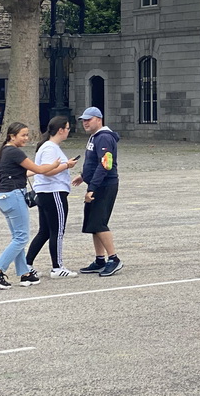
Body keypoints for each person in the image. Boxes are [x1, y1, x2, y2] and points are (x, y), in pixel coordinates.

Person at [0, 121, 76, 289]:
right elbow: (40, 170)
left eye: (27, 134)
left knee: (17, 238)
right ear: (12, 136)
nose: (26, 138)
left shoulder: (4, 151)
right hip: (13, 196)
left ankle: (25, 273)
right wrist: (59, 165)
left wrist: (46, 167)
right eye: (23, 135)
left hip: (4, 196)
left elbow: (28, 171)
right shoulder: (14, 151)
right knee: (21, 237)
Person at [26, 116, 79, 278]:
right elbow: (47, 171)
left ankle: (26, 263)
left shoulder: (48, 146)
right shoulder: (50, 148)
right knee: (57, 230)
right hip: (53, 191)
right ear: (61, 130)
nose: (68, 132)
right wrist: (66, 165)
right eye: (68, 128)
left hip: (45, 192)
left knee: (45, 231)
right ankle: (57, 267)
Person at [74, 107, 123, 276]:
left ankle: (114, 258)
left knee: (99, 222)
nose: (85, 123)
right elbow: (94, 162)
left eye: (89, 119)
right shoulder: (95, 137)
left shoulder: (103, 138)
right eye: (83, 120)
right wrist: (83, 175)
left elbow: (105, 165)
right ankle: (100, 259)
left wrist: (92, 188)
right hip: (97, 184)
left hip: (104, 185)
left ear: (99, 119)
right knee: (93, 224)